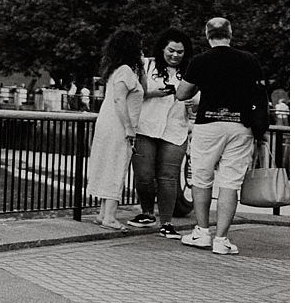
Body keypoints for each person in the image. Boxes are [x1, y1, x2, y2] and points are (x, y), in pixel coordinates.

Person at [176, 17, 266, 256]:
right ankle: (222, 239)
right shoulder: (249, 60)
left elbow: (182, 93)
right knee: (230, 183)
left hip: (209, 124)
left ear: (207, 34)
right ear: (230, 33)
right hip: (240, 126)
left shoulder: (200, 61)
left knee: (202, 178)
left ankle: (202, 231)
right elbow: (259, 93)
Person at [126, 28, 195, 237]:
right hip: (145, 127)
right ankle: (147, 212)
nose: (175, 55)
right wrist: (153, 93)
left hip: (175, 130)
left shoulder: (191, 71)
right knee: (144, 175)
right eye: (171, 50)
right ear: (162, 49)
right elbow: (131, 92)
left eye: (180, 52)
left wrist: (193, 102)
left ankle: (167, 222)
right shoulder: (146, 65)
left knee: (168, 177)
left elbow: (200, 98)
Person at [84, 29, 144, 230]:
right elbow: (120, 99)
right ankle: (110, 216)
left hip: (107, 123)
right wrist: (129, 127)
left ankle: (103, 213)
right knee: (117, 166)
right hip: (119, 126)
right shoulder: (126, 70)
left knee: (107, 165)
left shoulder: (116, 71)